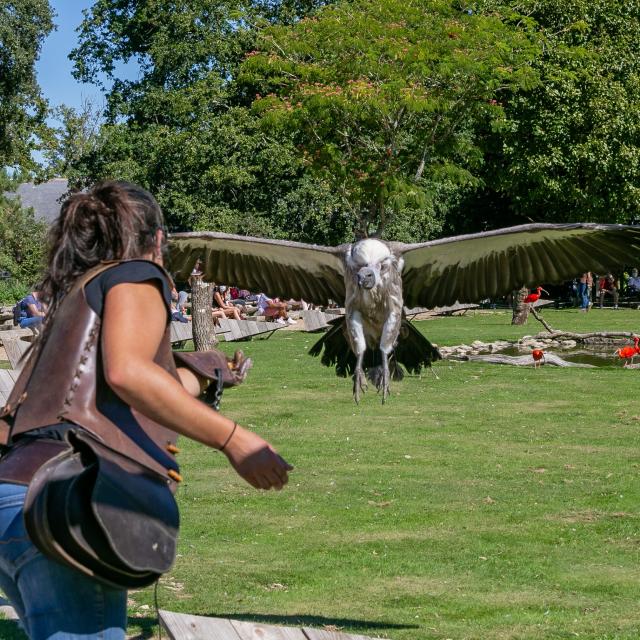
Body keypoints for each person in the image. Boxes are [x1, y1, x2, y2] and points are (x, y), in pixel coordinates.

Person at [0, 181, 291, 639]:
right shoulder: (135, 274)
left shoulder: (74, 296)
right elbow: (129, 374)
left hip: (14, 498)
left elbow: (117, 389)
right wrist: (236, 440)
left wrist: (207, 373)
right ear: (157, 240)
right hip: (65, 500)